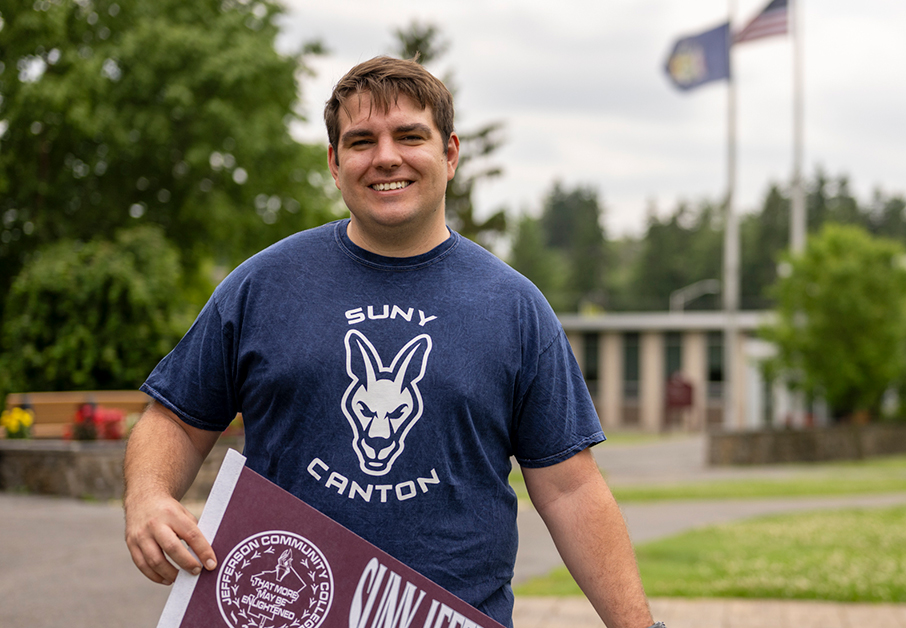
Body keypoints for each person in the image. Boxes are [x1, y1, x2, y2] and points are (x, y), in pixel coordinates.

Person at [123, 56, 662, 628]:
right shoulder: (264, 286)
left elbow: (571, 489)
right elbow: (176, 420)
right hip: (283, 610)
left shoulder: (514, 308)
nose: (386, 157)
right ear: (334, 163)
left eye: (410, 136)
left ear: (450, 154)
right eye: (361, 141)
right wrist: (149, 496)